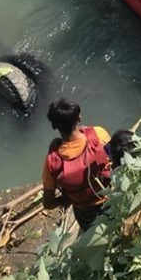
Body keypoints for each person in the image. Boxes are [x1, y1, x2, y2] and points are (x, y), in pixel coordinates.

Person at [42, 98, 111, 231]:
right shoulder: (98, 134)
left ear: (54, 126)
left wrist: (72, 199)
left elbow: (48, 203)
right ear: (79, 117)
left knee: (94, 238)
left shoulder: (52, 161)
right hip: (110, 197)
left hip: (85, 211)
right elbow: (114, 159)